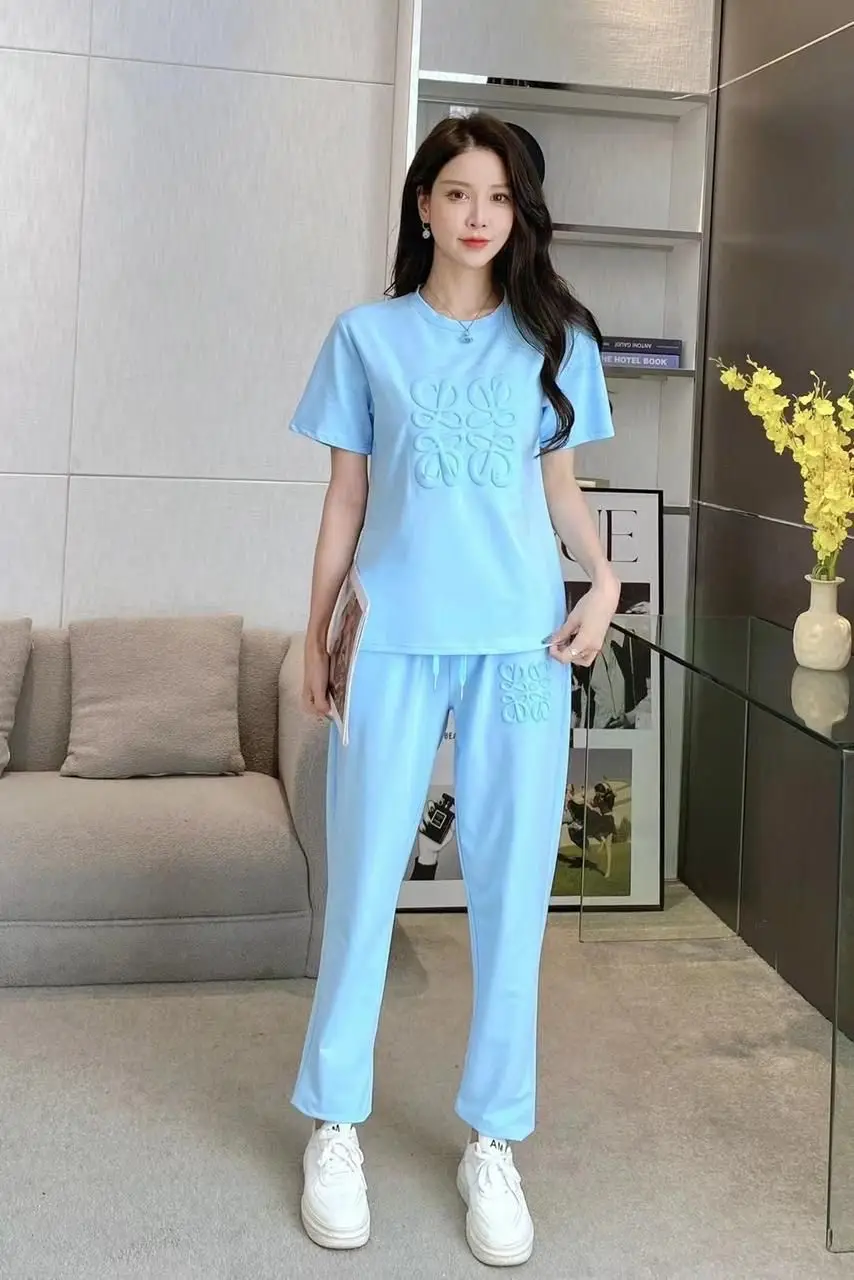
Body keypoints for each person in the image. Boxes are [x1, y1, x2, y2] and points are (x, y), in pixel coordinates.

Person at [288, 112, 620, 1268]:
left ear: (518, 214)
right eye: (458, 192)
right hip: (391, 642)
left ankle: (493, 1137)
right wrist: (312, 634)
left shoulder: (554, 339)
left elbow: (561, 489)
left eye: (499, 196)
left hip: (522, 649)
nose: (479, 215)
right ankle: (334, 1120)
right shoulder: (365, 336)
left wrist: (603, 579)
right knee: (363, 882)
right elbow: (344, 499)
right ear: (422, 204)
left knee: (513, 892)